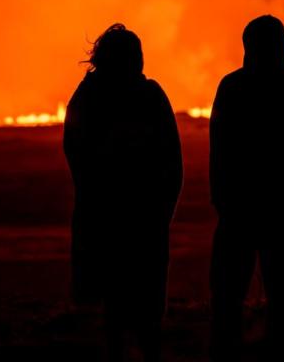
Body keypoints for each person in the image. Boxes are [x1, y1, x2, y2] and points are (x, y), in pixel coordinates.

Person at [63, 24, 183, 362]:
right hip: (142, 217)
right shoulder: (149, 96)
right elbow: (172, 160)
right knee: (144, 300)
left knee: (113, 303)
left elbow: (75, 153)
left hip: (107, 216)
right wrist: (163, 210)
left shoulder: (87, 97)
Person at [209, 15, 284, 361]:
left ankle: (227, 350)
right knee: (281, 291)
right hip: (280, 209)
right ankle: (279, 349)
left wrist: (223, 198)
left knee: (229, 291)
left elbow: (220, 148)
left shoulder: (232, 87)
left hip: (241, 207)